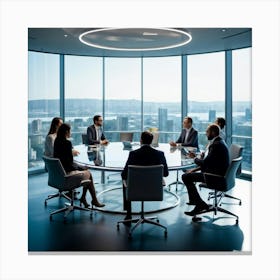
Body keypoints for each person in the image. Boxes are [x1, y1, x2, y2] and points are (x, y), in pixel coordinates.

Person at [121, 131, 169, 223]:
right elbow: (166, 173)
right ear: (151, 141)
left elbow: (124, 174)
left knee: (124, 179)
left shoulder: (133, 154)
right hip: (154, 189)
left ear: (141, 140)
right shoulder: (160, 154)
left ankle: (128, 213)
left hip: (135, 190)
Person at [53, 123, 105, 208]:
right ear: (66, 132)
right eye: (70, 131)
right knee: (88, 174)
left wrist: (80, 167)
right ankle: (94, 200)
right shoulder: (67, 143)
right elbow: (69, 163)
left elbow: (67, 161)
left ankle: (84, 198)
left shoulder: (57, 141)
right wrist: (81, 167)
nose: (71, 133)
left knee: (86, 172)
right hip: (67, 173)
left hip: (60, 172)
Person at [182, 124, 229, 216]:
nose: (206, 134)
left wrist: (194, 158)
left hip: (213, 176)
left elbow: (205, 163)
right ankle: (195, 201)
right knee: (188, 175)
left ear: (213, 132)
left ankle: (199, 204)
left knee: (185, 177)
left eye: (207, 132)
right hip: (218, 173)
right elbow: (210, 162)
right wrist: (194, 170)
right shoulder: (220, 142)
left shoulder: (215, 145)